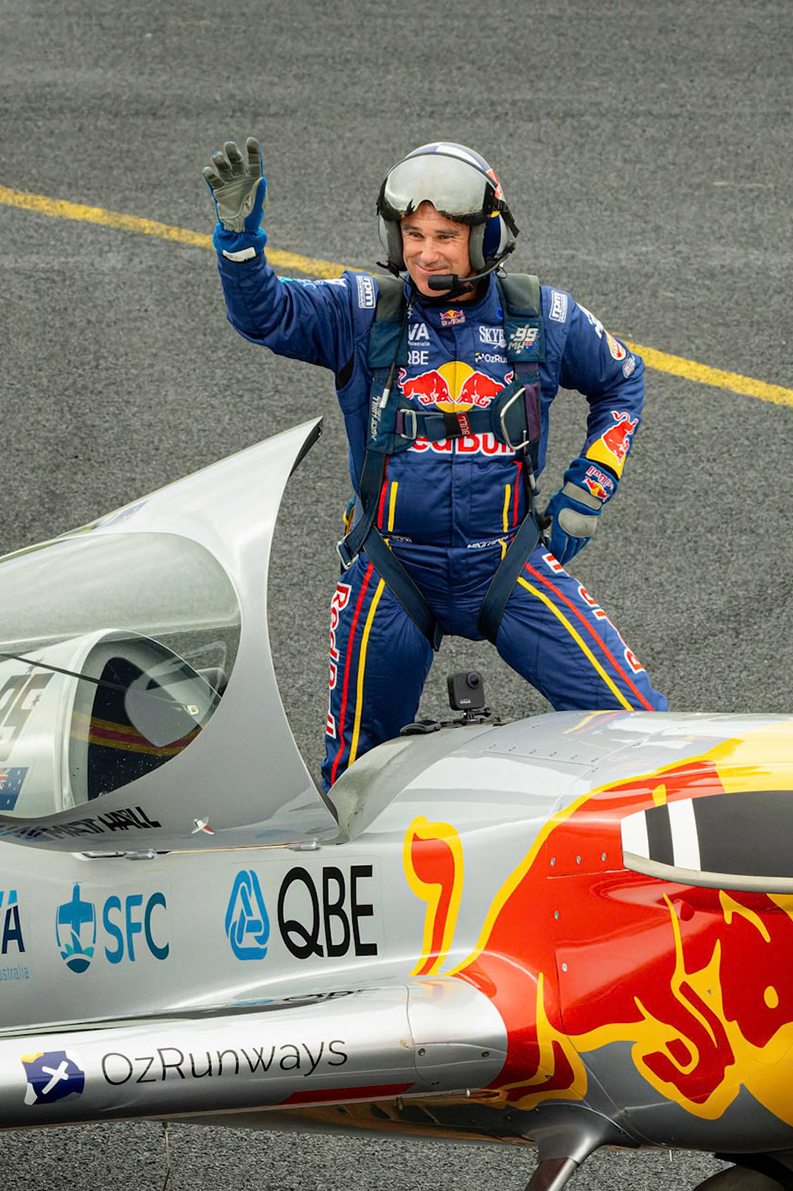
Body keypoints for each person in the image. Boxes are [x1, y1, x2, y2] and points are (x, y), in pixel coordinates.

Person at [204, 137, 668, 785]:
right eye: (413, 234)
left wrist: (586, 494)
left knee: (644, 730)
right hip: (392, 574)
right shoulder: (362, 313)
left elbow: (624, 381)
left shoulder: (544, 315)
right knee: (352, 778)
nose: (426, 252)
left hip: (508, 565)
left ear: (486, 237)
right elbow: (266, 315)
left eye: (446, 235)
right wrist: (238, 241)